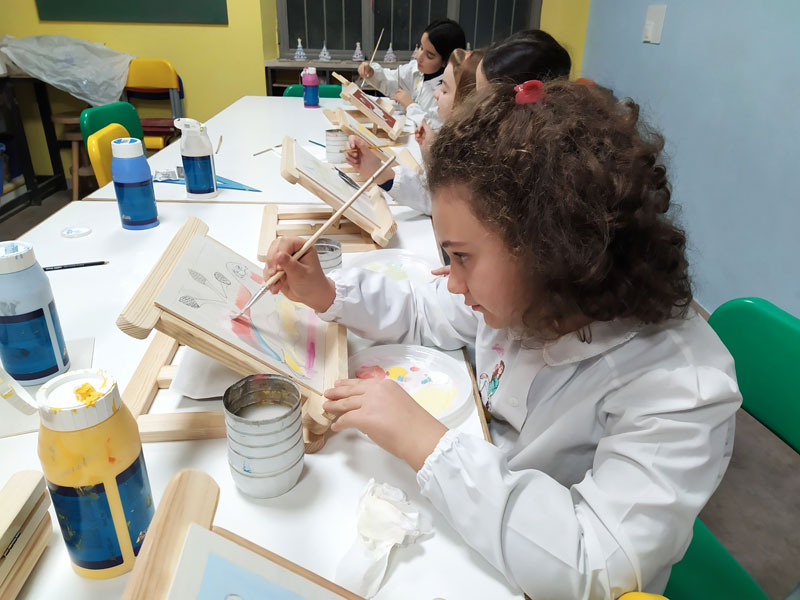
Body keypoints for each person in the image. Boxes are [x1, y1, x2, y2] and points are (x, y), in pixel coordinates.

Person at [265, 80, 741, 598]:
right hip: (487, 528)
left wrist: (427, 445)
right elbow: (428, 310)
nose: (452, 279)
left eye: (462, 257)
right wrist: (329, 292)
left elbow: (594, 567)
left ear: (552, 246)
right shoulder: (528, 294)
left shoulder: (681, 385)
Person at [348, 29, 572, 217]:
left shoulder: (531, 167)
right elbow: (449, 194)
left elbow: (451, 204)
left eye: (481, 97)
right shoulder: (495, 142)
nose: (475, 108)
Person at [348, 48, 482, 215]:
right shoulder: (457, 137)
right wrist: (428, 151)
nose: (436, 94)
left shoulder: (473, 157)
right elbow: (433, 187)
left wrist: (381, 173)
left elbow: (437, 200)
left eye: (445, 90)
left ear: (467, 101)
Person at [357, 18, 466, 128]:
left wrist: (410, 105)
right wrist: (372, 72)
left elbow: (435, 127)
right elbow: (392, 79)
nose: (420, 56)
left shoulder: (446, 91)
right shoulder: (415, 69)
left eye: (429, 56)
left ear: (445, 61)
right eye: (421, 47)